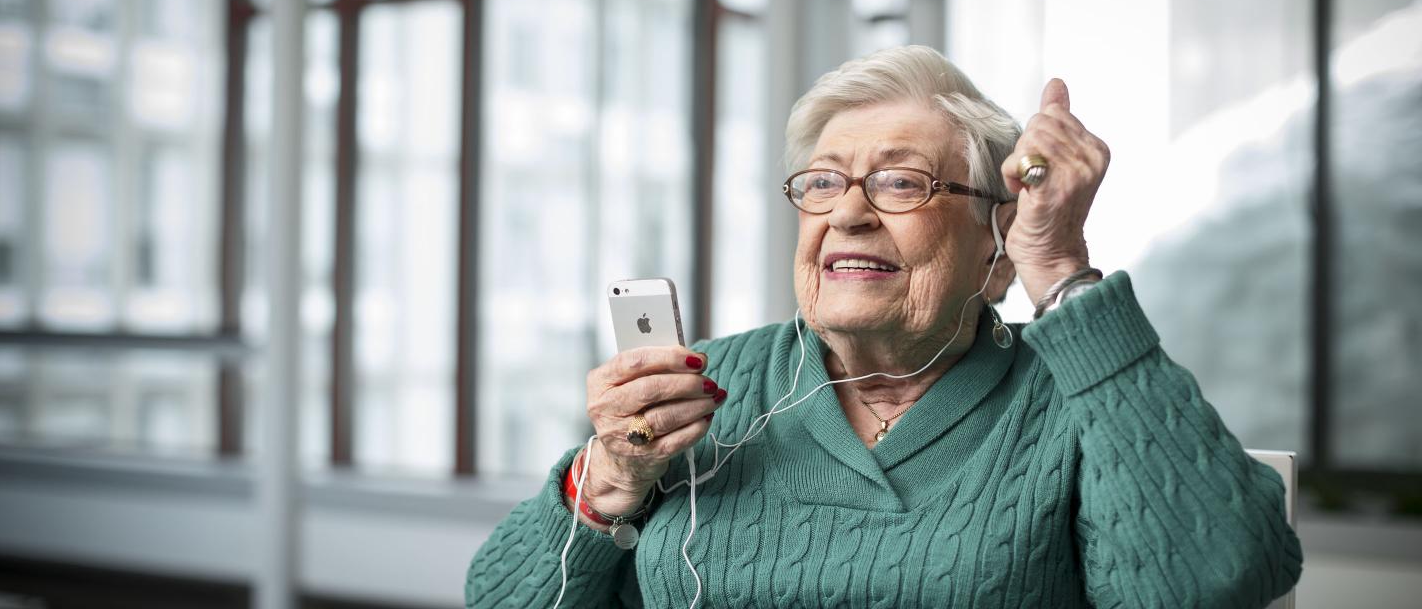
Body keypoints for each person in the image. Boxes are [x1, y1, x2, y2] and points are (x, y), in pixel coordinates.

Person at [466, 46, 1303, 608]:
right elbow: (499, 597)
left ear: (998, 247)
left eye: (901, 184)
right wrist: (609, 479)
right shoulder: (703, 383)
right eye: (823, 183)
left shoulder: (1077, 398)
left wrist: (1064, 271)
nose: (849, 214)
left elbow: (1215, 576)